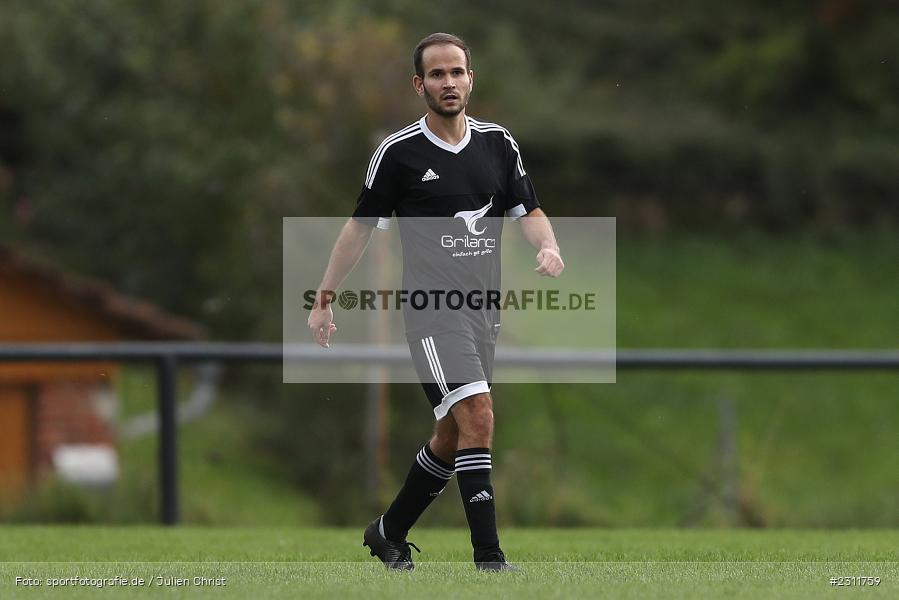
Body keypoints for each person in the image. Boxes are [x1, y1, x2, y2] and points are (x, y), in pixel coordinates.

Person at [307, 32, 564, 572]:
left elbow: (529, 210)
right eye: (438, 75)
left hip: (484, 312)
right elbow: (358, 229)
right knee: (479, 416)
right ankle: (490, 561)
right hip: (431, 310)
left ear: (472, 78)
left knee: (452, 435)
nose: (449, 83)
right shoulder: (397, 153)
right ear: (419, 84)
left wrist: (548, 245)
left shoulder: (499, 144)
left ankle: (388, 531)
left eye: (458, 72)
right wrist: (324, 297)